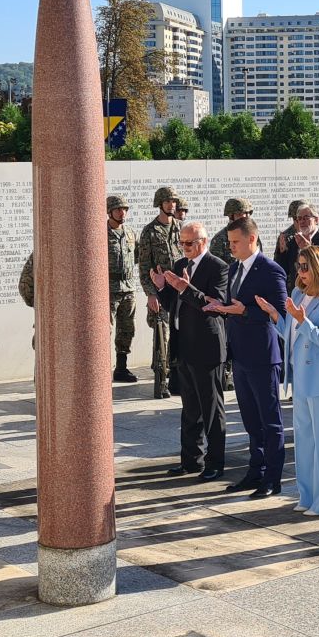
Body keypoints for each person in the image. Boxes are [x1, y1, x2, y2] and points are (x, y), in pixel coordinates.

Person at [258, 245, 319, 516]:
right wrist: (275, 315)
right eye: (299, 265)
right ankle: (307, 497)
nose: (301, 271)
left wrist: (302, 320)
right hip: (300, 379)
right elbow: (292, 335)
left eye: (306, 266)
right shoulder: (298, 293)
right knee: (305, 442)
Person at [209, 217, 289, 498]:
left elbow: (280, 314)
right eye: (229, 242)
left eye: (235, 242)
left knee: (270, 421)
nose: (230, 247)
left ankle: (273, 478)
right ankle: (256, 470)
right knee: (251, 421)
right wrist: (220, 306)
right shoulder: (233, 269)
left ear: (252, 239)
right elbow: (233, 305)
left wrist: (244, 311)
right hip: (240, 355)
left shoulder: (271, 270)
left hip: (263, 356)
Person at [151, 222, 229, 480]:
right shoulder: (179, 265)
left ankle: (215, 463)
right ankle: (191, 460)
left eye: (189, 243)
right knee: (190, 409)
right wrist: (162, 288)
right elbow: (174, 304)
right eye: (181, 242)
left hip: (206, 348)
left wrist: (186, 288)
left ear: (203, 242)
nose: (184, 247)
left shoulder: (218, 267)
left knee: (211, 409)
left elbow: (215, 305)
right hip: (183, 346)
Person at [136, 186, 183, 399]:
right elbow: (144, 266)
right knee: (162, 337)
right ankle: (161, 380)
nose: (172, 205)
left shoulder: (181, 228)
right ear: (160, 204)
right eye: (168, 201)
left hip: (179, 291)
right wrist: (151, 294)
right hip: (160, 291)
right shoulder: (150, 231)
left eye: (174, 201)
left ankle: (177, 379)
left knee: (179, 335)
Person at [106, 195, 138, 383]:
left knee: (127, 329)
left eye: (125, 209)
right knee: (105, 330)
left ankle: (121, 368)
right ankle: (101, 368)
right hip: (109, 289)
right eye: (118, 209)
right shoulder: (101, 233)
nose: (122, 213)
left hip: (128, 288)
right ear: (109, 211)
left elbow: (137, 256)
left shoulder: (130, 233)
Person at [276, 202, 319, 288]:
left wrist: (309, 249)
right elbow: (284, 270)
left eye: (306, 218)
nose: (302, 221)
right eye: (299, 219)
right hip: (297, 291)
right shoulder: (293, 241)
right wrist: (282, 253)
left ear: (316, 220)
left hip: (318, 290)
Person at [211, 198, 254, 263]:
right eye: (240, 214)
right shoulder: (220, 239)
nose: (245, 217)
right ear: (231, 216)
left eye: (248, 214)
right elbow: (214, 265)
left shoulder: (252, 236)